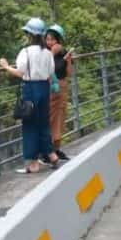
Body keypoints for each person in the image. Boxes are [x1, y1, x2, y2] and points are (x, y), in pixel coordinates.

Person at [0, 18, 60, 174]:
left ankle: (33, 163)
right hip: (44, 88)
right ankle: (51, 154)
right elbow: (51, 71)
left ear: (30, 34)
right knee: (43, 122)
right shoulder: (47, 52)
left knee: (30, 124)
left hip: (31, 88)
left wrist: (5, 66)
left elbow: (20, 72)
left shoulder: (25, 52)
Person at [44, 24, 72, 161]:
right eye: (47, 39)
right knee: (52, 119)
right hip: (50, 88)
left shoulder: (63, 53)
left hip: (62, 87)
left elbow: (68, 73)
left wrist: (68, 61)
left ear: (58, 40)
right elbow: (44, 64)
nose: (50, 42)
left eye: (52, 40)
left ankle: (57, 149)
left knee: (61, 118)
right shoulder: (45, 53)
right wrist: (53, 52)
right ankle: (48, 152)